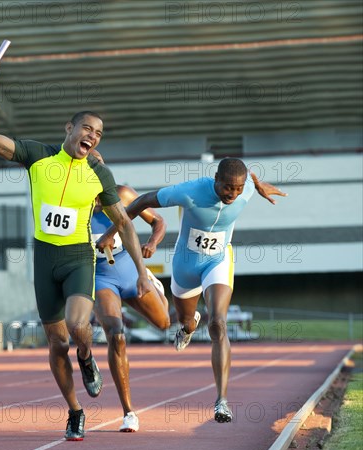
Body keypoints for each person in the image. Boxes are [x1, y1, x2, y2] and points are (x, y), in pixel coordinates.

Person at [0, 64, 152, 441]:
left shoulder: (99, 175)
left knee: (76, 326)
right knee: (56, 343)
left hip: (77, 258)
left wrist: (141, 270)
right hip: (45, 260)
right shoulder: (38, 156)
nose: (93, 135)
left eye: (99, 133)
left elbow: (125, 222)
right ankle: (74, 411)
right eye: (87, 127)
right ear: (68, 129)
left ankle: (87, 357)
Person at [97, 158, 286, 423]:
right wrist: (111, 231)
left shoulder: (247, 189)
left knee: (218, 323)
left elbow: (249, 176)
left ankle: (221, 401)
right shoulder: (191, 191)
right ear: (215, 179)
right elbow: (143, 202)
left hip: (217, 261)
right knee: (185, 319)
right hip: (186, 265)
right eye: (226, 188)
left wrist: (258, 184)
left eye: (238, 189)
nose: (232, 194)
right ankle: (188, 326)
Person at [92, 181, 171, 433]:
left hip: (129, 270)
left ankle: (153, 282)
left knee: (164, 323)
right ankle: (129, 412)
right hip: (100, 278)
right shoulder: (73, 203)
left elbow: (159, 222)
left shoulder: (123, 194)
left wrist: (152, 243)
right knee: (116, 335)